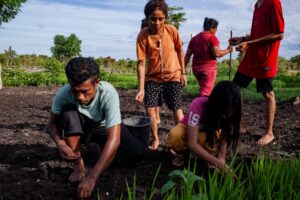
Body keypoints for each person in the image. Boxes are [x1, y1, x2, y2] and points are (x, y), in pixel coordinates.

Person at [46, 57, 146, 199]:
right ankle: (78, 164)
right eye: (76, 91)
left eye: (85, 91)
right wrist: (60, 143)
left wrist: (92, 176)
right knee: (68, 112)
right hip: (82, 129)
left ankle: (101, 148)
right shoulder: (64, 94)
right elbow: (51, 124)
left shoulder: (108, 93)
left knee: (137, 152)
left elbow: (114, 138)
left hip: (104, 128)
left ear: (97, 82)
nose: (80, 97)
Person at [229, 0, 284, 145]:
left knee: (267, 94)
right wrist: (243, 38)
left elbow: (279, 34)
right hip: (252, 56)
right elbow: (258, 32)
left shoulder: (273, 2)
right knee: (234, 88)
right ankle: (239, 125)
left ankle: (269, 133)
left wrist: (249, 43)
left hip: (265, 57)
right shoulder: (257, 5)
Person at [135, 0, 187, 150]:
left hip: (173, 75)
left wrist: (183, 73)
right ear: (147, 18)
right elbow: (141, 63)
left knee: (176, 108)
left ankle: (181, 142)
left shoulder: (171, 30)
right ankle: (156, 139)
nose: (157, 22)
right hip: (153, 77)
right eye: (153, 19)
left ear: (165, 18)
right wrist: (141, 88)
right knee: (150, 108)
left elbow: (179, 50)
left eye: (161, 19)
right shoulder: (143, 36)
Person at [167, 81, 241, 171]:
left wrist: (221, 160)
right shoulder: (198, 104)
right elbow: (192, 143)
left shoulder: (232, 111)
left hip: (208, 131)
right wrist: (219, 164)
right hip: (189, 129)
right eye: (224, 112)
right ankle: (184, 154)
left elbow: (224, 136)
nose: (227, 116)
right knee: (176, 137)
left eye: (230, 112)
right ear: (216, 104)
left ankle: (206, 158)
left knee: (204, 140)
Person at [185, 17, 233, 96]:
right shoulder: (212, 38)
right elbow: (217, 54)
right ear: (212, 28)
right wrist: (228, 50)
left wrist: (182, 72)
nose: (216, 31)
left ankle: (203, 105)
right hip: (208, 69)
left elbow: (187, 56)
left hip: (196, 69)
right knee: (205, 94)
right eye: (216, 29)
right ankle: (200, 107)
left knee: (204, 88)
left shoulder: (194, 39)